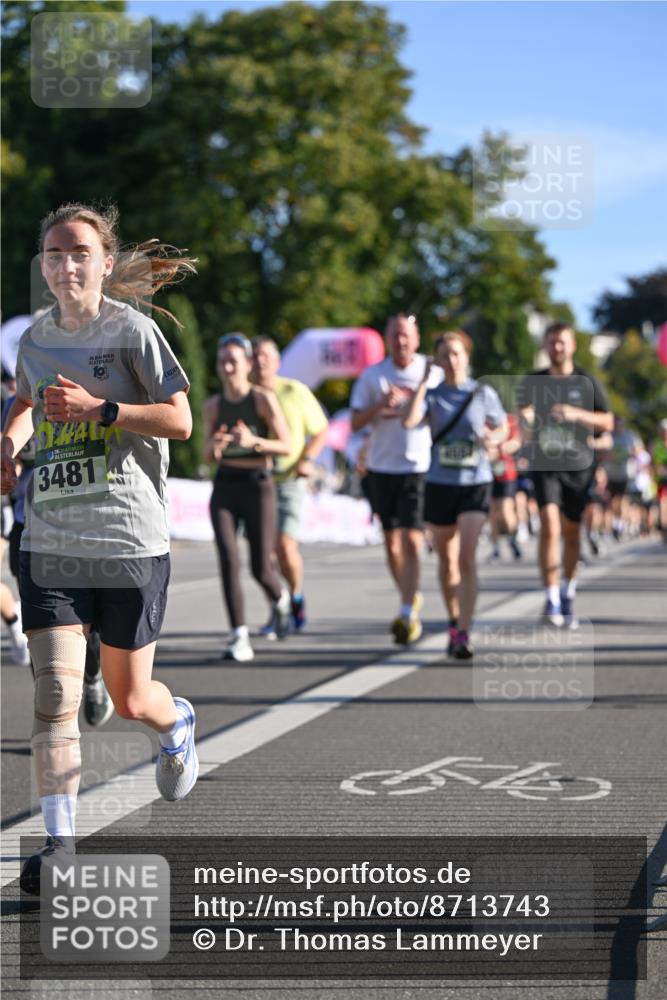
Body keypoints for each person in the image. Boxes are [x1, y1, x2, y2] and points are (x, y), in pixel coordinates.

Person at [0, 202, 199, 894]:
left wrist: (101, 410)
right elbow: (26, 402)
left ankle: (176, 727)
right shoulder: (34, 340)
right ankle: (59, 844)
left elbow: (179, 419)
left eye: (79, 252)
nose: (66, 265)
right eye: (54, 255)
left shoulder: (133, 332)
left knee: (132, 696)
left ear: (104, 263)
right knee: (54, 692)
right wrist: (9, 441)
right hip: (51, 538)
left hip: (128, 541)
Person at [404, 331, 507, 659]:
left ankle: (463, 631)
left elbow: (503, 426)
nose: (451, 360)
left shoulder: (482, 392)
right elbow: (409, 421)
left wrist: (493, 439)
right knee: (447, 561)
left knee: (466, 557)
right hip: (439, 482)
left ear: (467, 356)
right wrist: (422, 383)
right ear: (436, 360)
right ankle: (452, 620)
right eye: (444, 355)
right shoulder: (432, 395)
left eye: (457, 353)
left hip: (475, 482)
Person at [350, 313, 441, 644]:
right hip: (381, 467)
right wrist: (378, 406)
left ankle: (406, 611)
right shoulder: (373, 376)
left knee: (413, 539)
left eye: (406, 335)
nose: (400, 341)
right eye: (394, 335)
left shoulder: (432, 373)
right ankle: (409, 594)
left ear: (416, 338)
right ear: (387, 339)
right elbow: (356, 422)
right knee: (391, 542)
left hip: (418, 466)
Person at [518, 322, 613, 628]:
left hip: (578, 466)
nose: (556, 347)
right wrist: (526, 419)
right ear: (544, 346)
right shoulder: (533, 381)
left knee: (571, 532)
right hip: (545, 463)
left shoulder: (587, 381)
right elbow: (522, 418)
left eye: (561, 342)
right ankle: (550, 598)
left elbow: (607, 422)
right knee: (548, 523)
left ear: (572, 346)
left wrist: (577, 414)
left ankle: (567, 592)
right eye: (551, 342)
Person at [204, 333, 292, 661]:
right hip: (226, 485)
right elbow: (206, 454)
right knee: (228, 558)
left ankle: (281, 599)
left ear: (247, 364)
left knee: (260, 567)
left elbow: (286, 445)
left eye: (234, 361)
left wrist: (255, 441)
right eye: (222, 361)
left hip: (258, 485)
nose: (227, 367)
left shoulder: (262, 400)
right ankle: (238, 635)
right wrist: (214, 447)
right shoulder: (212, 406)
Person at [251, 336, 328, 633]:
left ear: (278, 362)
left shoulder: (294, 391)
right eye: (255, 356)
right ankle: (277, 607)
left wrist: (307, 458)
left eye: (266, 356)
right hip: (255, 479)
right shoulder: (244, 394)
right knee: (263, 555)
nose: (260, 361)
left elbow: (320, 430)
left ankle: (295, 597)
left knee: (283, 547)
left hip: (289, 479)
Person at [488, 411, 522, 561]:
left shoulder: (509, 420)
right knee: (493, 512)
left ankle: (512, 537)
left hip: (506, 473)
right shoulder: (482, 419)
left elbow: (516, 442)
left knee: (505, 510)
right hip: (487, 473)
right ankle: (495, 548)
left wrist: (500, 449)